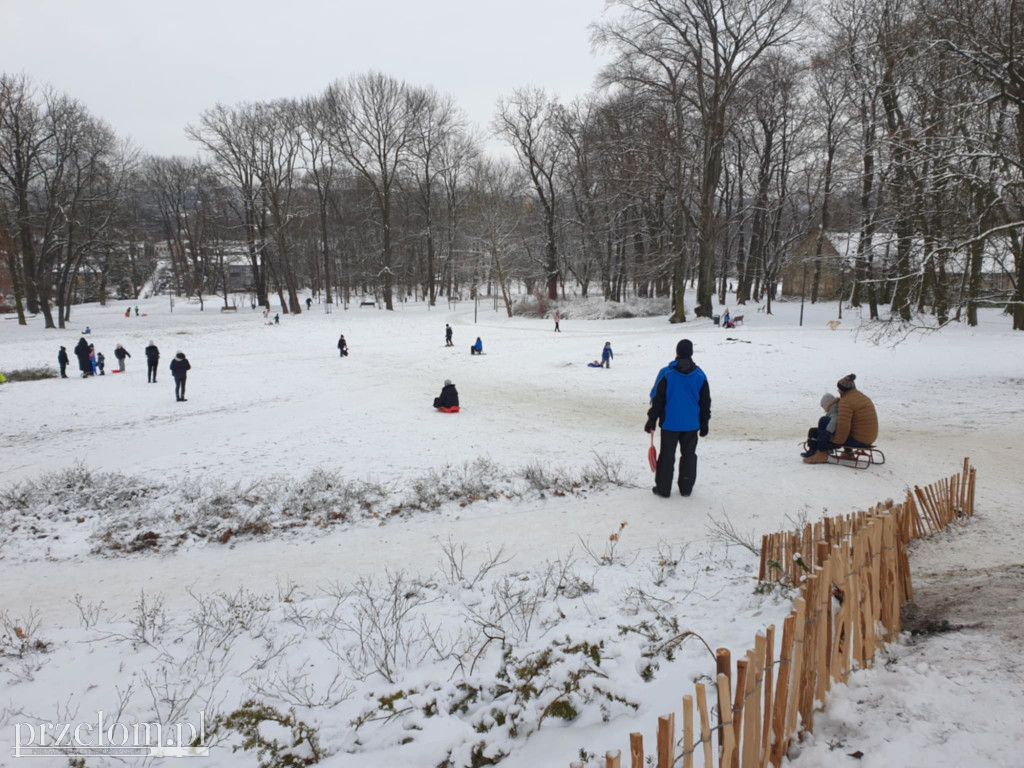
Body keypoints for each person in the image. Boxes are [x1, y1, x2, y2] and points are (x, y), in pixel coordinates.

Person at [645, 339, 712, 498]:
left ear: (677, 352)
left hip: (670, 424)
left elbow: (658, 400)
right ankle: (686, 488)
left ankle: (663, 488)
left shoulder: (666, 373)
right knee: (689, 456)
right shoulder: (700, 376)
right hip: (691, 424)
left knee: (667, 456)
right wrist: (704, 424)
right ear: (691, 353)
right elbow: (705, 403)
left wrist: (651, 420)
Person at [804, 374, 878, 464]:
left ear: (842, 390)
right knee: (843, 425)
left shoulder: (846, 401)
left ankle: (822, 452)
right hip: (869, 438)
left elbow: (844, 426)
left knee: (824, 421)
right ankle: (848, 452)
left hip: (858, 440)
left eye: (839, 388)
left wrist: (835, 442)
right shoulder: (862, 397)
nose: (838, 391)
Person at [801, 394, 840, 458]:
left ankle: (813, 450)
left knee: (813, 431)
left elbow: (834, 421)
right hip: (832, 433)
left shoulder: (834, 411)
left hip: (831, 435)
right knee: (814, 431)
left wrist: (827, 432)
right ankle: (813, 450)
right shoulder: (834, 409)